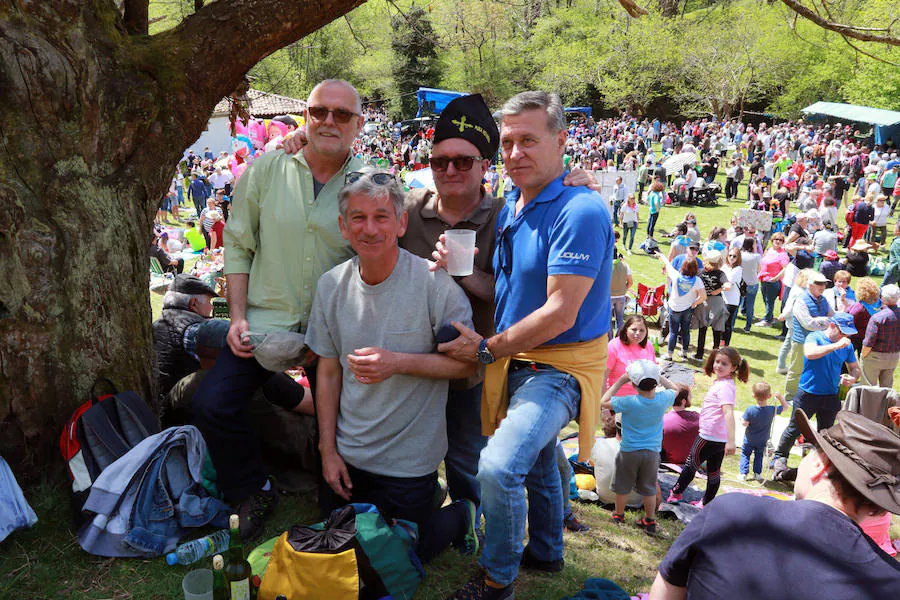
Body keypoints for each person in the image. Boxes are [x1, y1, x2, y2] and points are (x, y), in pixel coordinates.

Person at [442, 91, 612, 600]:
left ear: (562, 141)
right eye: (508, 142)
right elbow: (512, 293)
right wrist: (459, 273)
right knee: (538, 461)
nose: (515, 153)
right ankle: (546, 551)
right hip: (521, 359)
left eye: (528, 141)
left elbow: (560, 312)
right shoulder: (518, 203)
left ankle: (497, 579)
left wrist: (487, 349)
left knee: (497, 466)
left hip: (557, 369)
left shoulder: (578, 209)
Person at [191, 79, 366, 540]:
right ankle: (252, 487)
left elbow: (395, 238)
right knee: (212, 402)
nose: (328, 120)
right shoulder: (268, 168)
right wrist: (239, 315)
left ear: (359, 125)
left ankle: (340, 488)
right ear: (305, 116)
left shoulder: (367, 183)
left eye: (341, 114)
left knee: (349, 414)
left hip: (333, 329)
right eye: (318, 111)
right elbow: (238, 242)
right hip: (265, 325)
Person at [306, 169, 479, 563]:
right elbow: (328, 372)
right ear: (343, 227)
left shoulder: (434, 284)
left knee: (392, 560)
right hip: (349, 456)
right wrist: (327, 451)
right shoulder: (331, 286)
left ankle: (458, 514)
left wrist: (398, 363)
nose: (369, 229)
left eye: (381, 217)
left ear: (401, 223)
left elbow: (466, 368)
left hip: (408, 462)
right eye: (358, 218)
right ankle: (420, 511)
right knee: (336, 554)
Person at [650, 409, 900, 599]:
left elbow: (663, 594)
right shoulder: (890, 583)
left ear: (820, 465)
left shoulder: (730, 514)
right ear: (877, 506)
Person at [398, 94, 502, 521]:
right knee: (411, 451)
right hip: (410, 362)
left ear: (484, 166)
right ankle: (419, 514)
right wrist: (297, 142)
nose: (450, 170)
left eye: (463, 161)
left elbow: (517, 296)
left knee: (465, 455)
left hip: (471, 367)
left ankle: (469, 521)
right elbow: (355, 204)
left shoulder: (506, 216)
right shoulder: (407, 210)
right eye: (440, 162)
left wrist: (463, 273)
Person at [772, 313, 861, 481]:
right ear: (833, 326)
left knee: (826, 433)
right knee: (794, 428)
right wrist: (836, 346)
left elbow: (854, 368)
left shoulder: (847, 346)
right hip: (808, 392)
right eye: (843, 332)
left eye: (848, 334)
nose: (846, 337)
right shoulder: (815, 337)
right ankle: (779, 458)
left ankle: (817, 465)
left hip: (831, 395)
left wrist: (852, 377)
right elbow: (810, 353)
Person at [601, 360, 684, 535]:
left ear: (633, 383)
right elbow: (676, 390)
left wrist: (621, 381)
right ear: (655, 382)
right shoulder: (662, 399)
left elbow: (604, 401)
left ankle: (618, 515)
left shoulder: (628, 402)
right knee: (648, 488)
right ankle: (650, 519)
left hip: (629, 452)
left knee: (623, 485)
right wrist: (659, 377)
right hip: (652, 453)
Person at [666, 347, 749, 506]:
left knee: (691, 465)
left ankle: (675, 493)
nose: (718, 366)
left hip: (708, 436)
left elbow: (728, 413)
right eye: (717, 361)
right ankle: (707, 502)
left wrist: (732, 441)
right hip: (718, 437)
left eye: (724, 364)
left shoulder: (724, 387)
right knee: (713, 471)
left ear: (733, 367)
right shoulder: (725, 383)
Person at [152, 275, 227, 404]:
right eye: (209, 303)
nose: (212, 308)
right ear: (193, 304)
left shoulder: (158, 324)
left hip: (165, 403)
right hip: (182, 411)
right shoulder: (191, 331)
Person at [658, 252, 706, 362]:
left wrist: (661, 254)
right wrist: (695, 302)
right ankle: (684, 353)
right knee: (685, 331)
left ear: (683, 267)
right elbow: (703, 296)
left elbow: (667, 263)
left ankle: (669, 355)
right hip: (688, 309)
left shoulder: (675, 275)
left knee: (673, 332)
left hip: (674, 308)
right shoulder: (697, 281)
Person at [739, 382, 788, 482]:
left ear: (753, 395)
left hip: (749, 439)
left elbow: (744, 423)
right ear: (769, 396)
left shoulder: (750, 410)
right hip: (762, 440)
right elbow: (785, 407)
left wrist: (741, 419)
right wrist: (780, 398)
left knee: (745, 454)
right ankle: (757, 474)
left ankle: (743, 473)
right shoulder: (771, 410)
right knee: (759, 456)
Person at [605, 315, 656, 398]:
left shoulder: (648, 346)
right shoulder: (613, 346)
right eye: (634, 329)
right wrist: (605, 408)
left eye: (642, 330)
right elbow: (602, 378)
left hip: (642, 399)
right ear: (626, 330)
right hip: (617, 401)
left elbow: (653, 375)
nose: (638, 333)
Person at [860, 284, 900, 388]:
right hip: (894, 356)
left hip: (875, 356)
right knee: (887, 389)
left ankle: (870, 405)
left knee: (869, 388)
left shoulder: (877, 317)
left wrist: (863, 356)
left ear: (882, 297)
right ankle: (886, 405)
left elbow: (869, 342)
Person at [693, 250, 729, 360]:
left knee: (702, 329)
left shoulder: (700, 272)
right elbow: (727, 285)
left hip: (703, 302)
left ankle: (699, 354)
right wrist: (720, 289)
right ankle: (715, 356)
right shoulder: (720, 273)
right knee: (716, 330)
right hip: (716, 303)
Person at [755, 232, 788, 326]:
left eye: (780, 240)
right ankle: (770, 316)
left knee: (770, 301)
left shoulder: (782, 254)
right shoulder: (769, 250)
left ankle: (767, 320)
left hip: (773, 281)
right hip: (764, 278)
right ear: (772, 240)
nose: (778, 241)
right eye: (776, 239)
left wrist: (775, 278)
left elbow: (785, 268)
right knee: (765, 299)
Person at [661, 389, 700, 466]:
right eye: (690, 396)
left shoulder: (662, 420)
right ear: (683, 401)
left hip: (668, 460)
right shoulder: (697, 418)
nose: (691, 398)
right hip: (693, 460)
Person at [845, 276, 880, 355]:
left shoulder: (859, 307)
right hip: (869, 337)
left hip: (855, 336)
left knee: (844, 359)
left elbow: (849, 319)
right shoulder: (878, 304)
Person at [609, 233, 633, 337]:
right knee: (620, 319)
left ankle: (609, 340)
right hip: (621, 296)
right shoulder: (625, 265)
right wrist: (624, 289)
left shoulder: (605, 265)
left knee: (608, 321)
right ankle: (619, 339)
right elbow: (630, 282)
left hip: (608, 297)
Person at [721, 246, 743, 346]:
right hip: (722, 298)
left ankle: (726, 345)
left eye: (734, 256)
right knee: (720, 322)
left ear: (738, 258)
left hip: (731, 300)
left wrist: (719, 287)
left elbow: (729, 284)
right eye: (730, 255)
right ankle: (720, 342)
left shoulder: (738, 269)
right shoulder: (725, 267)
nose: (731, 258)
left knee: (727, 323)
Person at [738, 237, 761, 333]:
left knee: (736, 304)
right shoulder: (757, 256)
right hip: (752, 283)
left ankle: (730, 323)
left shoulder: (740, 255)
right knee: (750, 305)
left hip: (741, 282)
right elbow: (758, 270)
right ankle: (748, 327)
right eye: (755, 243)